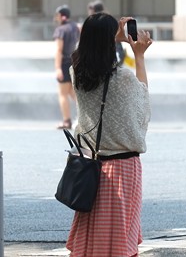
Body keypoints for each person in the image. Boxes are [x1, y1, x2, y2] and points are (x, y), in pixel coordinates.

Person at [66, 13, 153, 257]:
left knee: (94, 238)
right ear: (108, 40)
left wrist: (110, 36)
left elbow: (86, 51)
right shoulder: (122, 78)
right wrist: (138, 55)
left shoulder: (77, 73)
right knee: (118, 240)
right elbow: (142, 105)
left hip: (91, 167)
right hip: (122, 168)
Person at [53, 5, 80, 129]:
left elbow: (59, 50)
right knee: (72, 91)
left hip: (64, 62)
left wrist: (58, 68)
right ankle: (87, 116)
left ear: (61, 16)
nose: (56, 17)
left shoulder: (61, 30)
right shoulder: (75, 27)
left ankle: (66, 121)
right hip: (74, 62)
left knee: (63, 93)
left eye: (57, 15)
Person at [86, 0, 127, 65]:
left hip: (102, 54)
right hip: (115, 51)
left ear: (94, 9)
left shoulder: (94, 21)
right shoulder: (111, 19)